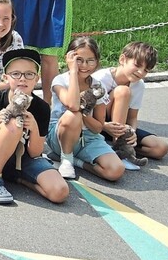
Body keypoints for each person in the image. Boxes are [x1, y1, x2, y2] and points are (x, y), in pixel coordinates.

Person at [0, 49, 69, 204]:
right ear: (5, 78)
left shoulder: (41, 107)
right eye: (16, 74)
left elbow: (35, 153)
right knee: (13, 124)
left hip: (24, 159)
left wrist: (33, 127)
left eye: (29, 74)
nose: (22, 79)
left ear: (36, 79)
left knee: (59, 192)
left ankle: (19, 179)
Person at [47, 37, 123, 181]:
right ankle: (67, 159)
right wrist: (73, 72)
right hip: (60, 136)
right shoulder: (60, 80)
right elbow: (73, 105)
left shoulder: (98, 86)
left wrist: (85, 114)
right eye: (79, 60)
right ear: (70, 59)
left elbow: (98, 128)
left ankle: (77, 162)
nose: (84, 65)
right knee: (73, 114)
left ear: (97, 62)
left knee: (115, 171)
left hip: (88, 137)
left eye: (90, 60)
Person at [93, 41, 168, 163]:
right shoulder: (100, 78)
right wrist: (104, 126)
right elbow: (85, 111)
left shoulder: (139, 85)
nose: (140, 72)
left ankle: (120, 148)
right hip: (97, 124)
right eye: (137, 65)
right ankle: (118, 145)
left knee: (160, 148)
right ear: (122, 59)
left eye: (146, 70)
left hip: (120, 127)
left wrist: (132, 132)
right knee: (123, 91)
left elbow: (132, 117)